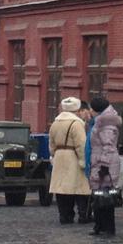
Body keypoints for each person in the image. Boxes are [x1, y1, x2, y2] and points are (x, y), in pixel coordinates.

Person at [49, 96, 91, 224]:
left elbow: (51, 144)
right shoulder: (77, 124)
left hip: (59, 156)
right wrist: (84, 161)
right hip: (73, 156)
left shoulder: (55, 123)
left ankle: (64, 215)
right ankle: (83, 214)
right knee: (80, 188)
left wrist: (54, 155)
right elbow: (81, 144)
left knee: (61, 189)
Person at [88, 95, 122, 236]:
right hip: (100, 161)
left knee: (105, 197)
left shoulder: (106, 124)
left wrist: (103, 165)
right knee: (99, 195)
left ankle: (107, 227)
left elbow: (108, 146)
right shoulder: (102, 121)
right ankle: (100, 225)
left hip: (104, 164)